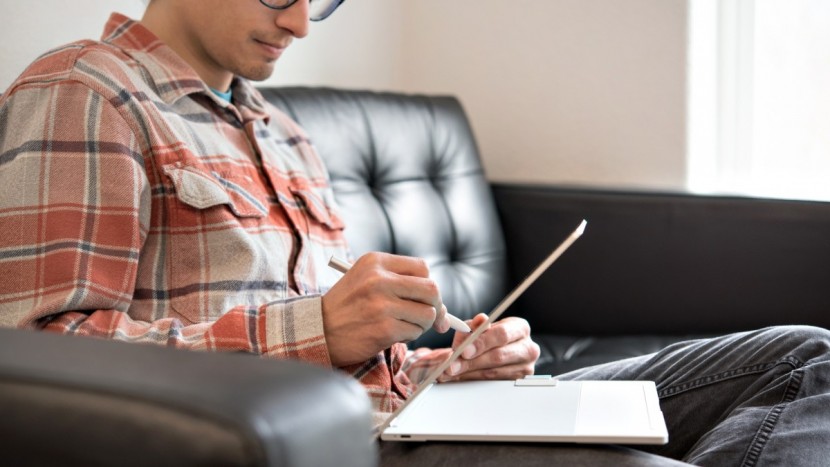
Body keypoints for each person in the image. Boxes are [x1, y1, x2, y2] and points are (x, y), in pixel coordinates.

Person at [1, 1, 828, 466]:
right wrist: (317, 329)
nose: (299, 23)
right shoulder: (86, 93)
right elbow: (42, 354)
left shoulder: (281, 131)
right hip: (327, 450)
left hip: (408, 415)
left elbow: (348, 351)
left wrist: (446, 363)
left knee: (807, 356)